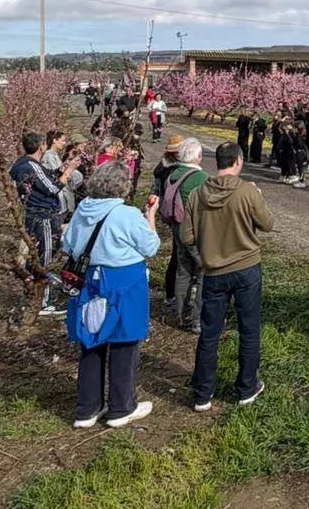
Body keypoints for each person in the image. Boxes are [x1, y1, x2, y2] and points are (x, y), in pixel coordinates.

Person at [63, 161, 160, 429]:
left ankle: (87, 408)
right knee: (124, 342)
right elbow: (150, 246)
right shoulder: (126, 214)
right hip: (124, 282)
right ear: (123, 186)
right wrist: (150, 215)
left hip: (89, 281)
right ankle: (121, 407)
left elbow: (67, 245)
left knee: (91, 340)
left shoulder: (83, 210)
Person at [182, 142, 274, 412]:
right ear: (238, 161)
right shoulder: (247, 191)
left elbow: (187, 236)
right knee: (249, 329)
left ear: (218, 162)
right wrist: (258, 198)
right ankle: (246, 388)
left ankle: (202, 394)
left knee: (209, 333)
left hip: (214, 272)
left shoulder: (198, 195)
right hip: (247, 268)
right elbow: (268, 224)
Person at [10, 132, 75, 317]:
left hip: (32, 214)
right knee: (44, 257)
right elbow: (52, 188)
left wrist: (64, 167)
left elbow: (45, 179)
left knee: (36, 256)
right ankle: (43, 302)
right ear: (41, 147)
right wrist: (69, 173)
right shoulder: (31, 166)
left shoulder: (21, 164)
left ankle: (32, 297)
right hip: (43, 215)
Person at [165, 139, 209, 333]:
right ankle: (198, 318)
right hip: (196, 231)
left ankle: (181, 314)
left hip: (177, 228)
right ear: (198, 156)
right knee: (203, 272)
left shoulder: (173, 175)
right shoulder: (201, 178)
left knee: (183, 271)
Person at [151, 135, 185, 308]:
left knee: (176, 254)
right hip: (177, 214)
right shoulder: (175, 171)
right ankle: (174, 295)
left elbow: (154, 191)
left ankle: (171, 293)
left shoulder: (160, 168)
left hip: (166, 212)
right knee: (178, 256)